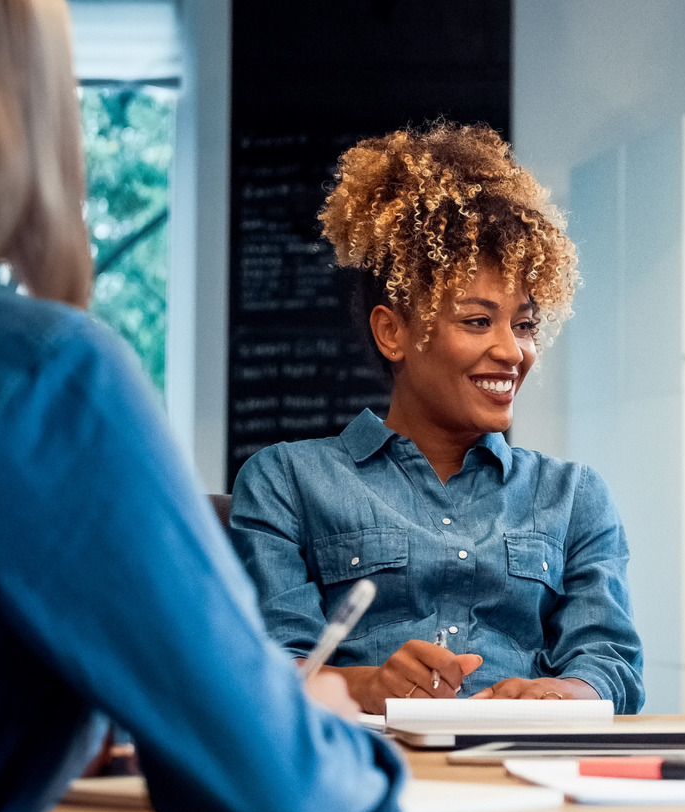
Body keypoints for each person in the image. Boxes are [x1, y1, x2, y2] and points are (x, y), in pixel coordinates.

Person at [0, 0, 404, 812]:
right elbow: (274, 778)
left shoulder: (573, 495)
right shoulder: (44, 376)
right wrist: (330, 726)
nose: (507, 349)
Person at [232, 123, 644, 715]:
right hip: (365, 763)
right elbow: (265, 667)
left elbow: (611, 667)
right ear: (392, 332)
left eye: (524, 324)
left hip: (524, 768)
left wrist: (557, 695)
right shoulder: (287, 482)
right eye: (478, 321)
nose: (512, 351)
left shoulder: (574, 497)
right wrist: (368, 686)